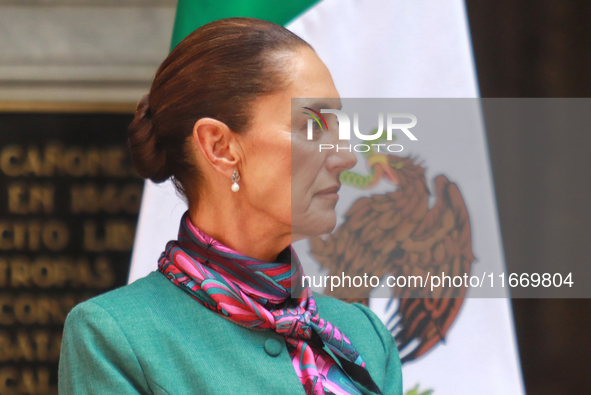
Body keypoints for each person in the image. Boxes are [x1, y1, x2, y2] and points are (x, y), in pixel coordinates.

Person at [58, 18, 403, 395]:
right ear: (220, 147)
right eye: (312, 126)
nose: (346, 156)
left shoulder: (365, 336)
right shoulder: (116, 336)